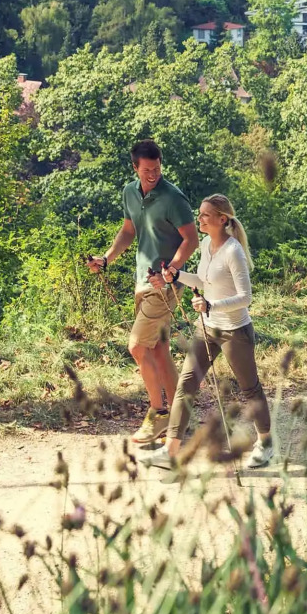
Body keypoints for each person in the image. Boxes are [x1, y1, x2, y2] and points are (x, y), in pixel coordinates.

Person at [145, 193, 273, 469]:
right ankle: (170, 451)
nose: (199, 218)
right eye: (200, 213)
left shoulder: (233, 251)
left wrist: (211, 305)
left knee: (250, 389)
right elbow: (203, 281)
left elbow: (246, 297)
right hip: (207, 328)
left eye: (205, 215)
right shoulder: (206, 244)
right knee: (186, 385)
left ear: (222, 219)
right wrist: (177, 275)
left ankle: (266, 443)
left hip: (234, 331)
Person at [87, 138, 198, 444]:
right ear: (135, 167)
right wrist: (106, 259)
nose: (153, 174)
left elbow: (191, 239)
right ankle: (180, 417)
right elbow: (128, 231)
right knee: (157, 348)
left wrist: (172, 270)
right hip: (142, 280)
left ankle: (158, 413)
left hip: (165, 284)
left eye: (157, 168)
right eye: (147, 170)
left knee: (137, 346)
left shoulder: (173, 197)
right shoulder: (129, 192)